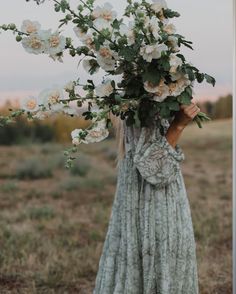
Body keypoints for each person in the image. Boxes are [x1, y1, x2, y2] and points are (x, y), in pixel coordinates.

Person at [93, 102, 200, 294]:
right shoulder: (143, 95)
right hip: (155, 201)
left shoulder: (132, 96)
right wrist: (178, 125)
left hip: (135, 196)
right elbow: (153, 169)